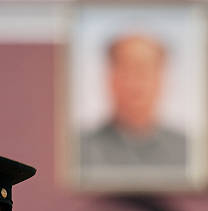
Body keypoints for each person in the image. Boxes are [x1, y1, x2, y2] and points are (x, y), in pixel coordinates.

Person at [80, 33, 187, 175]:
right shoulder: (81, 149)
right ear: (110, 79)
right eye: (126, 69)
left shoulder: (188, 150)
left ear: (161, 79)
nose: (135, 83)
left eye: (144, 70)